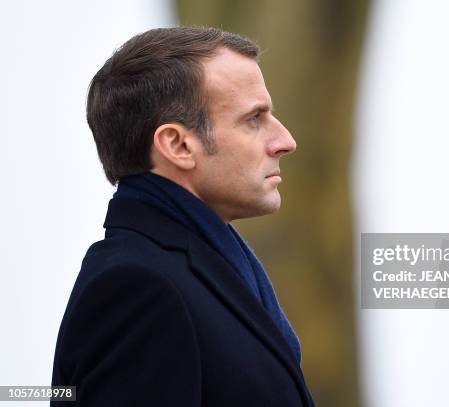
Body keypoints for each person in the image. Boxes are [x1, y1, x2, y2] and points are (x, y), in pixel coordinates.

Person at [51, 27, 315, 406]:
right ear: (177, 145)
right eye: (254, 119)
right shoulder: (137, 288)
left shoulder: (199, 268)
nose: (285, 141)